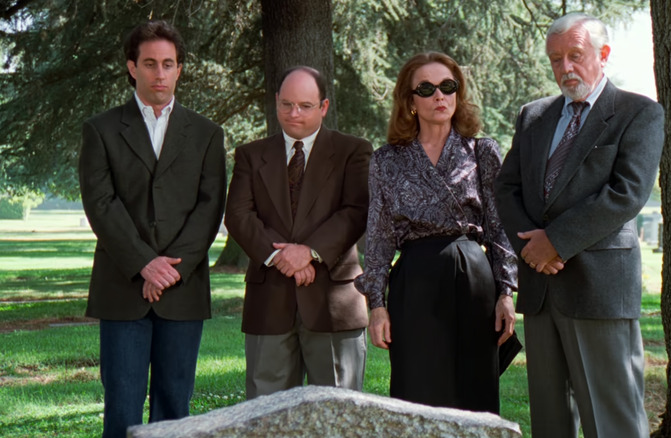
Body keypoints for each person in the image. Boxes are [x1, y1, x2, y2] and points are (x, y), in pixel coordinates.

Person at [494, 12, 664, 437]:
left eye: (575, 55)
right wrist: (533, 251)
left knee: (613, 420)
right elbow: (506, 189)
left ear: (602, 55)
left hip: (599, 289)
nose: (565, 68)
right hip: (541, 289)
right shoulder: (534, 116)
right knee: (551, 422)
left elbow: (626, 193)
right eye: (555, 59)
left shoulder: (637, 113)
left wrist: (556, 241)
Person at [78, 20, 226, 438]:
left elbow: (210, 206)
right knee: (122, 407)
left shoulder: (207, 134)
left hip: (183, 288)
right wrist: (145, 263)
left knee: (176, 407)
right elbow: (100, 204)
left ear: (179, 69)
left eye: (167, 64)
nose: (159, 73)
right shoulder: (101, 129)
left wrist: (170, 269)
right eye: (149, 64)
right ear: (132, 67)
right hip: (122, 287)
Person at [355, 52, 517, 414]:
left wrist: (506, 292)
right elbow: (379, 236)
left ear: (458, 93)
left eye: (447, 86)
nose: (439, 96)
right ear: (409, 101)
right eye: (426, 89)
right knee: (417, 390)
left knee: (474, 391)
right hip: (414, 282)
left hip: (473, 277)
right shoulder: (386, 160)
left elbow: (499, 226)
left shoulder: (482, 150)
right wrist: (377, 306)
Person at [224, 66, 372, 399]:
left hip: (334, 302)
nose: (294, 113)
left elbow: (356, 211)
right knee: (266, 417)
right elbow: (237, 214)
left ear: (324, 107)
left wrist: (308, 252)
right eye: (286, 104)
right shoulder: (251, 155)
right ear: (276, 101)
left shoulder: (354, 151)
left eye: (305, 106)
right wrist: (279, 256)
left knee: (338, 417)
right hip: (269, 300)